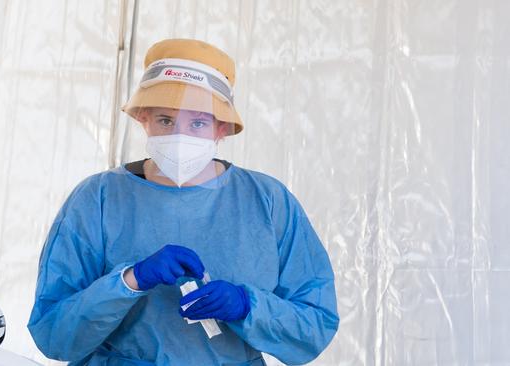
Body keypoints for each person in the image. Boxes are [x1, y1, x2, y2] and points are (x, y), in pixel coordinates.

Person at [28, 38, 339, 365]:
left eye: (198, 122)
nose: (180, 135)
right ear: (143, 118)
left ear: (222, 128)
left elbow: (315, 328)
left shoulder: (268, 201)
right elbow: (53, 335)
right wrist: (131, 280)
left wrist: (247, 306)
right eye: (165, 120)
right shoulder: (98, 199)